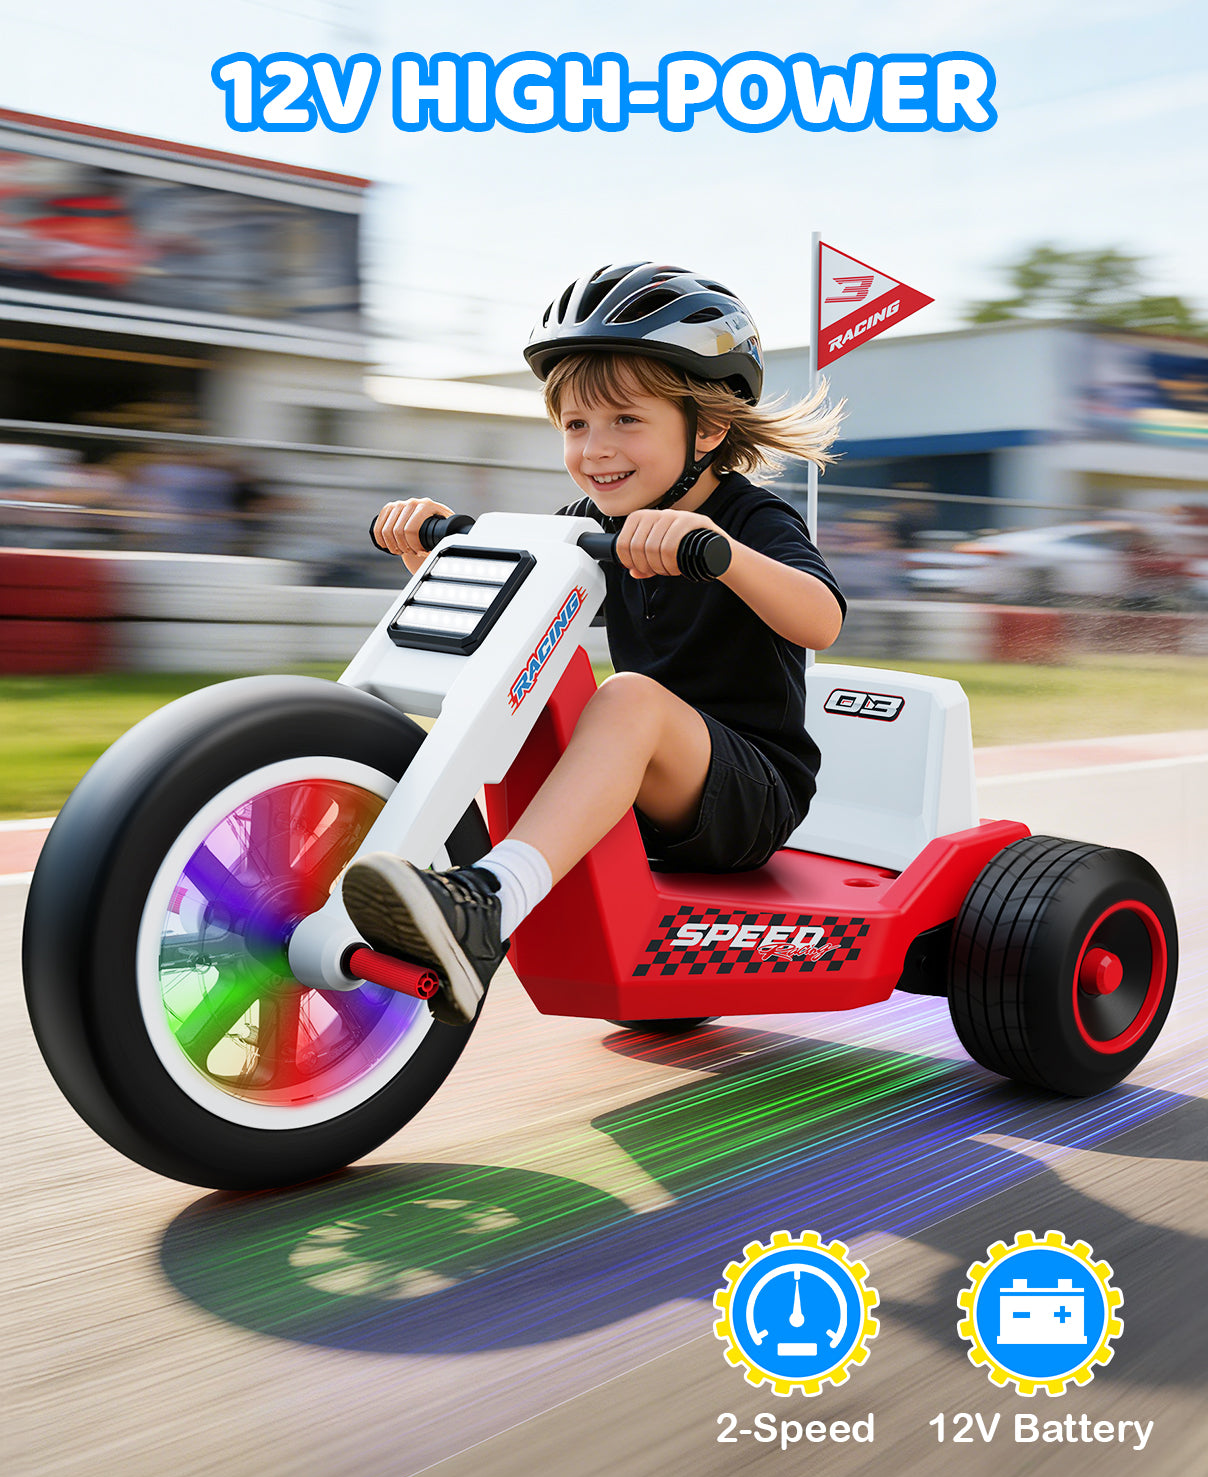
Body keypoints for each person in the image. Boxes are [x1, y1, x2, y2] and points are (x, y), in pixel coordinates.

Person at [342, 262, 847, 1026]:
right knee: (537, 690)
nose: (595, 449)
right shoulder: (588, 520)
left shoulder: (751, 517)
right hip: (643, 794)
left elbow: (822, 621)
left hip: (749, 794)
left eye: (625, 421)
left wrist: (721, 551)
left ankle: (489, 902)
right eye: (576, 426)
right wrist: (433, 554)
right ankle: (400, 867)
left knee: (630, 698)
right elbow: (514, 618)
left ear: (708, 428)